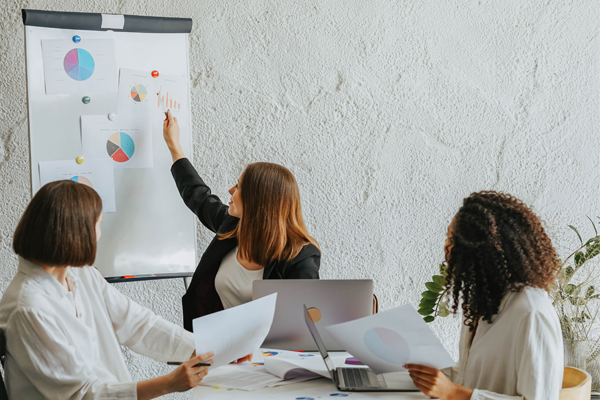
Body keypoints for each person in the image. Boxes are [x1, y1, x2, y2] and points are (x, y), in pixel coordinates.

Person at [0, 180, 214, 399]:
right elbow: (81, 394)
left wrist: (208, 351)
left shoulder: (81, 275)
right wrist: (168, 384)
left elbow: (138, 324)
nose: (100, 234)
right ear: (76, 233)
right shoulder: (28, 308)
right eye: (99, 223)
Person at [162, 110, 321, 331]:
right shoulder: (234, 227)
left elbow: (306, 324)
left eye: (238, 186)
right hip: (218, 349)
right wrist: (173, 145)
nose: (230, 190)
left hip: (267, 359)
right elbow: (197, 196)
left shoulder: (299, 256)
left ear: (257, 202)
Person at [405, 191, 563, 400]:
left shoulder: (531, 312)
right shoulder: (484, 304)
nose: (446, 248)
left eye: (453, 240)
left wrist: (453, 393)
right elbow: (472, 378)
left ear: (484, 252)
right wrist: (432, 373)